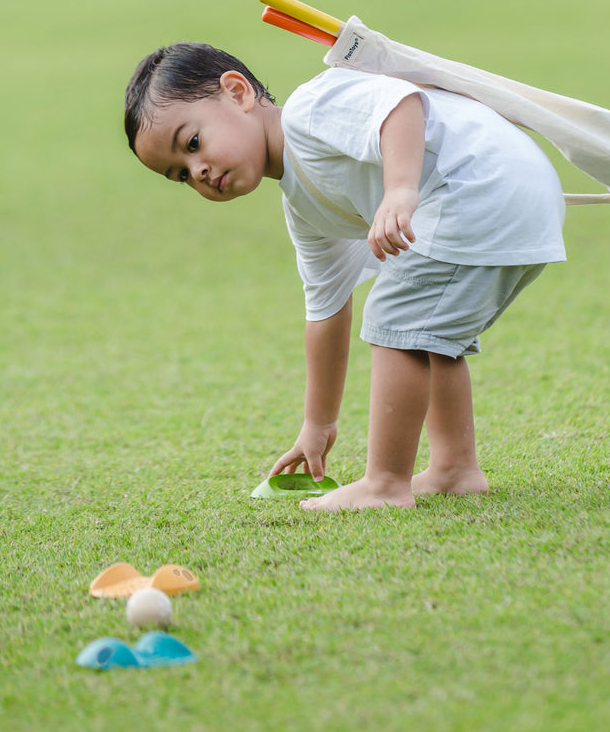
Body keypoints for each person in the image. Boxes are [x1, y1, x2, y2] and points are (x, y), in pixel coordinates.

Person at [124, 41, 566, 511]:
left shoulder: (310, 110)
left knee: (397, 316)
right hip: (513, 194)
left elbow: (400, 105)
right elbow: (326, 310)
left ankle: (385, 485)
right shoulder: (303, 206)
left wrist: (399, 189)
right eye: (181, 175)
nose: (198, 171)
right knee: (428, 330)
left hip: (481, 187)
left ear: (237, 93)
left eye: (192, 144)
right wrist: (318, 426)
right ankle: (455, 468)